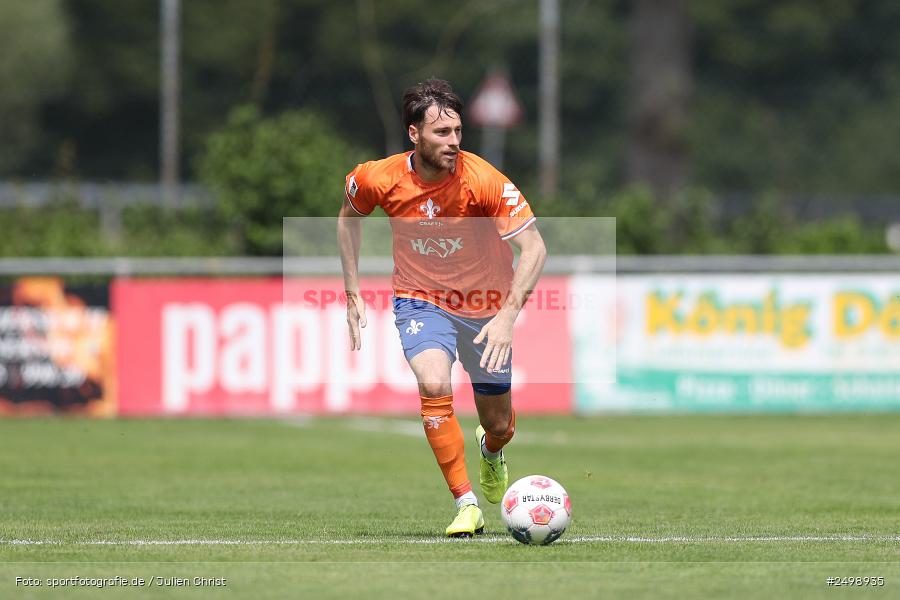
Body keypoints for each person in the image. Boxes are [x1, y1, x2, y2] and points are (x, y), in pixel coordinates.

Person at [337, 78, 546, 537]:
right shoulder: (378, 177)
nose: (454, 141)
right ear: (414, 134)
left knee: (499, 424)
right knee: (433, 383)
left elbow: (534, 248)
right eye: (442, 133)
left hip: (486, 307)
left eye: (457, 131)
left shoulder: (484, 180)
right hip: (420, 300)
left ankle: (491, 450)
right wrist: (352, 292)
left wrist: (507, 316)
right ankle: (466, 504)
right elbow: (349, 218)